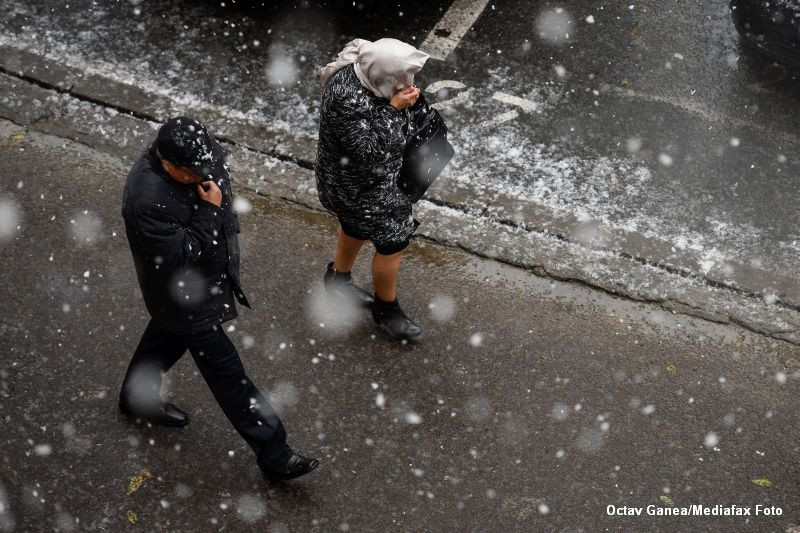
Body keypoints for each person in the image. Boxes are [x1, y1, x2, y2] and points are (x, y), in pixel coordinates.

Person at [119, 117, 318, 481]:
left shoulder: (196, 151)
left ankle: (136, 397)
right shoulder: (146, 202)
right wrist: (211, 210)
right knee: (227, 372)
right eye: (193, 173)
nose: (204, 176)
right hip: (184, 296)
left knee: (165, 336)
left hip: (194, 288)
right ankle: (275, 453)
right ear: (168, 164)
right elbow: (179, 256)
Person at [315, 38, 430, 341]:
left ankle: (338, 280)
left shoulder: (366, 70)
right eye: (401, 78)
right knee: (393, 244)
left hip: (356, 183)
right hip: (359, 188)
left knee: (353, 227)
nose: (407, 83)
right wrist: (394, 109)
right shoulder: (347, 99)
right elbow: (367, 152)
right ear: (381, 75)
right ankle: (387, 308)